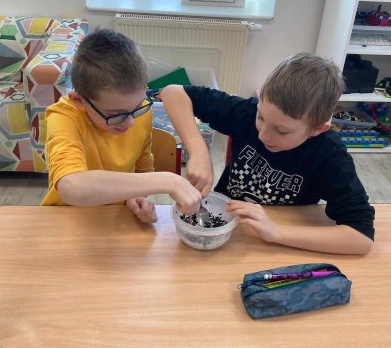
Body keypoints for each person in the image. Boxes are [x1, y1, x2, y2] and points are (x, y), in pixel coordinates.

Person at [160, 53, 375, 254]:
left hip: (279, 243)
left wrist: (277, 232)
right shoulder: (247, 113)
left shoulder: (330, 156)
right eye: (261, 117)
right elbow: (172, 93)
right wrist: (199, 152)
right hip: (229, 229)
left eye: (282, 131)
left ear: (317, 129)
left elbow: (361, 237)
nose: (263, 135)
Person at [42, 29, 201, 221]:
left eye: (138, 106)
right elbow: (72, 187)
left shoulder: (140, 110)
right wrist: (169, 181)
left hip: (115, 218)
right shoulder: (64, 117)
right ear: (79, 100)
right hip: (66, 217)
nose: (131, 121)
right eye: (116, 115)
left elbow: (142, 166)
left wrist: (137, 196)